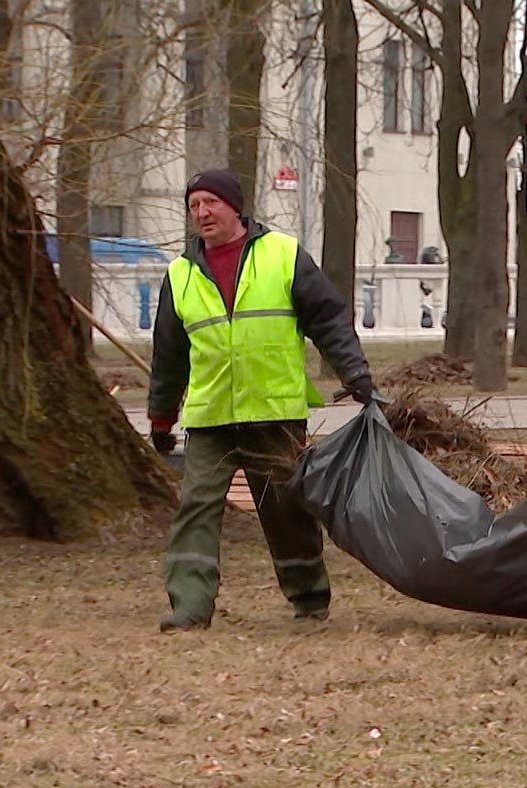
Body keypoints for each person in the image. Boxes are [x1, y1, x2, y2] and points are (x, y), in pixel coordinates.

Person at [148, 169, 377, 632]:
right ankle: (190, 606)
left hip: (273, 411)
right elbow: (169, 353)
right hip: (211, 416)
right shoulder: (180, 274)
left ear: (235, 206)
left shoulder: (284, 255)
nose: (202, 213)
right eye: (194, 206)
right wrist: (161, 417)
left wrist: (356, 373)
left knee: (286, 512)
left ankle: (309, 598)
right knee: (195, 507)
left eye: (210, 202)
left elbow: (329, 320)